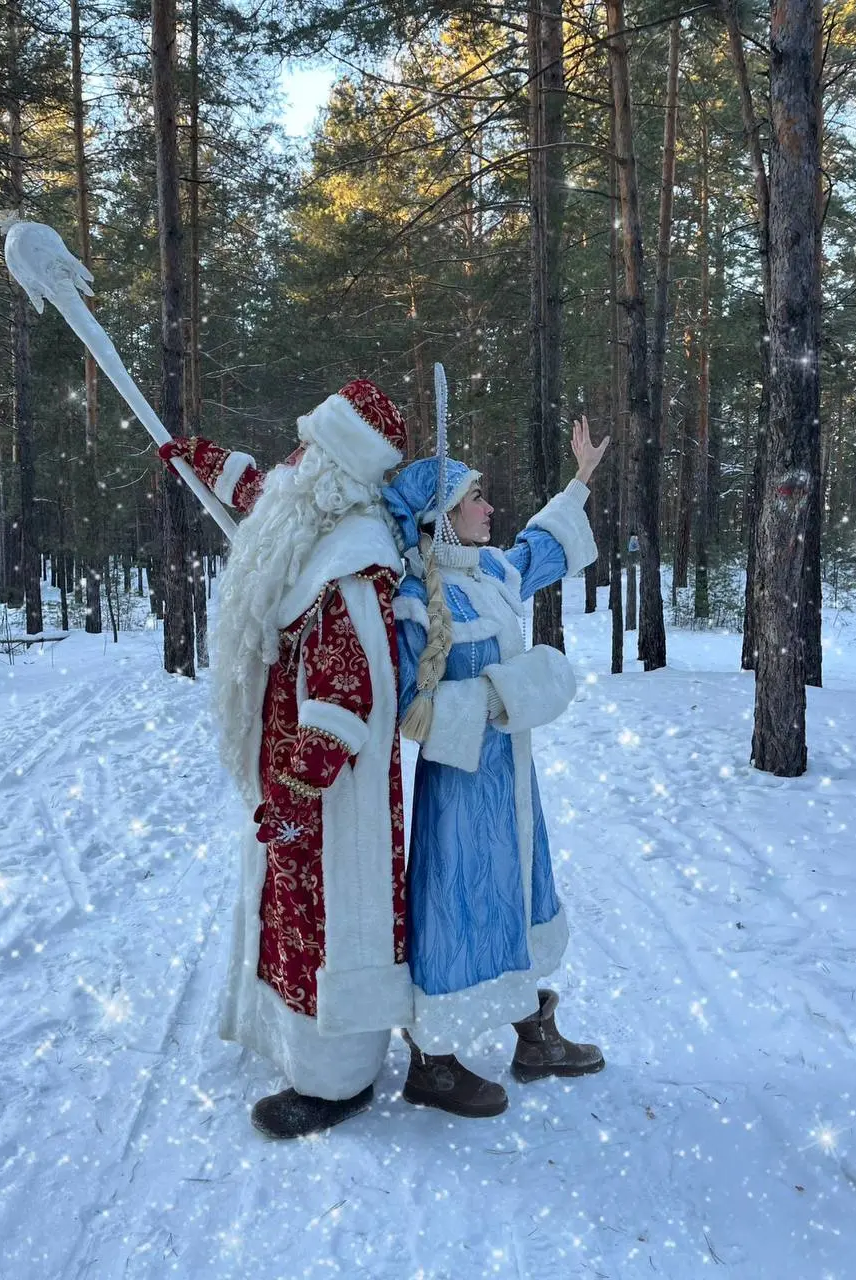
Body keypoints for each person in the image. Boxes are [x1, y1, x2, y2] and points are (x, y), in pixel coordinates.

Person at [159, 379, 413, 1139]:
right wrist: (194, 457)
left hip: (329, 803)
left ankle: (336, 1079)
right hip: (298, 795)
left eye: (307, 451)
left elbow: (346, 696)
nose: (291, 461)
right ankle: (300, 1049)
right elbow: (262, 494)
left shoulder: (352, 566)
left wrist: (296, 795)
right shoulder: (312, 519)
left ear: (335, 469)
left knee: (331, 922)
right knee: (293, 915)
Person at [380, 416, 609, 1118]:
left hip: (513, 775)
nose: (488, 506)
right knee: (460, 900)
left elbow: (542, 548)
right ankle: (434, 1059)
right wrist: (513, 691)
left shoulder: (495, 572)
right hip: (459, 783)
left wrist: (581, 479)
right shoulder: (416, 600)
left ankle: (533, 1033)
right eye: (475, 498)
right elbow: (412, 707)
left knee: (524, 888)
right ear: (443, 520)